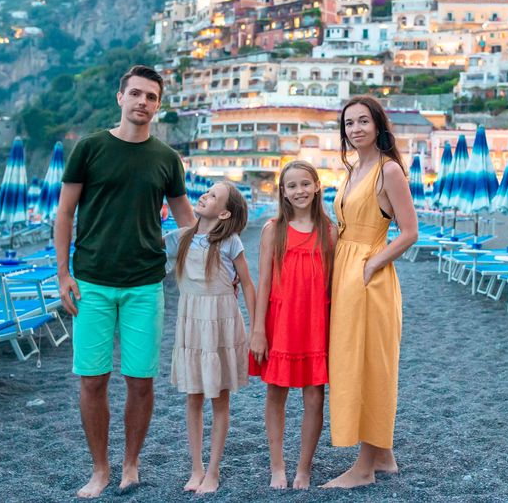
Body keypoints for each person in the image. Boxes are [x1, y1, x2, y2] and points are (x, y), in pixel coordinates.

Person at [55, 64, 195, 499]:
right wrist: (62, 274)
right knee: (92, 379)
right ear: (120, 98)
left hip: (145, 284)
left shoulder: (167, 159)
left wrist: (220, 247)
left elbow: (189, 221)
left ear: (158, 104)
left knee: (140, 380)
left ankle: (131, 464)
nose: (142, 103)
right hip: (91, 281)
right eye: (136, 94)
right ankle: (100, 469)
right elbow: (64, 213)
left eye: (151, 97)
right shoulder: (90, 148)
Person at [322, 95, 418, 489]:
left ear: (378, 126)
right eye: (349, 123)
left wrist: (373, 263)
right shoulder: (352, 171)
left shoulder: (388, 170)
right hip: (346, 270)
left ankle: (363, 468)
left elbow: (410, 232)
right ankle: (384, 456)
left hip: (368, 277)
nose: (356, 128)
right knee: (351, 360)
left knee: (369, 366)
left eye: (363, 121)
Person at [249, 160, 335, 490]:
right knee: (276, 393)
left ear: (316, 186)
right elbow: (264, 282)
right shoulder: (274, 229)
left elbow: (333, 286)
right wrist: (258, 330)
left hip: (315, 324)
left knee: (315, 397)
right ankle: (277, 466)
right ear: (283, 193)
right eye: (292, 186)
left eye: (304, 184)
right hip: (280, 324)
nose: (299, 191)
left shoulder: (330, 231)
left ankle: (304, 467)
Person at [169, 181, 255, 494]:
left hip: (221, 324)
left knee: (219, 399)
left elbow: (246, 284)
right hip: (191, 326)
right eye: (207, 190)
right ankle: (196, 468)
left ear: (224, 213)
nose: (205, 195)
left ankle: (214, 471)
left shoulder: (230, 241)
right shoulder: (181, 238)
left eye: (214, 195)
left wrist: (256, 327)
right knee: (193, 398)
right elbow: (142, 251)